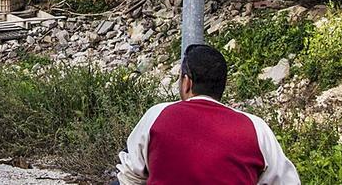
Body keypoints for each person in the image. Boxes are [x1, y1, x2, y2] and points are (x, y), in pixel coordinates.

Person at [116, 43, 299, 184]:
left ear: (187, 82)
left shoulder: (158, 115)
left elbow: (129, 175)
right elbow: (287, 181)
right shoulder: (256, 128)